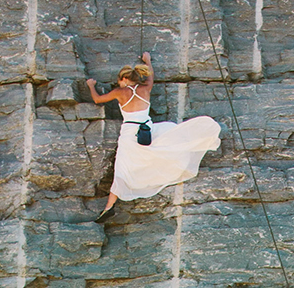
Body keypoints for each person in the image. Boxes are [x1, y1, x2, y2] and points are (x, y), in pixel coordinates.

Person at [86, 52, 222, 221]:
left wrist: (91, 85)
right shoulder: (145, 88)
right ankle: (110, 206)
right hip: (148, 130)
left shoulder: (120, 92)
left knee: (122, 170)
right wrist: (148, 60)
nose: (119, 83)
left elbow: (98, 100)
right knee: (166, 143)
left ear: (125, 79)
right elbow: (150, 75)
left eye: (119, 80)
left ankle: (109, 206)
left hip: (130, 133)